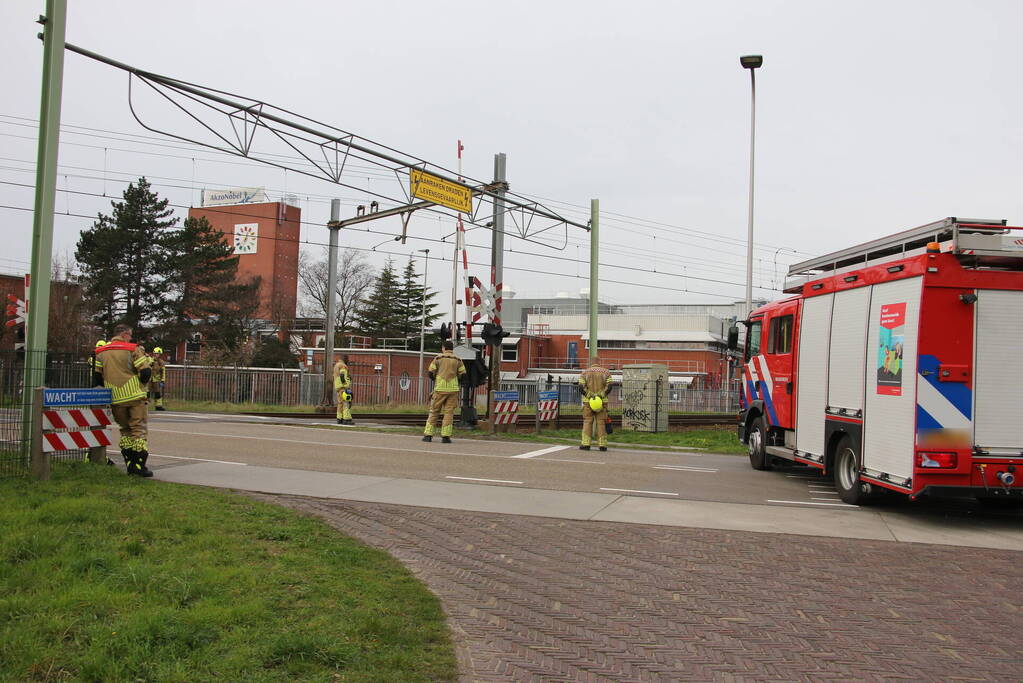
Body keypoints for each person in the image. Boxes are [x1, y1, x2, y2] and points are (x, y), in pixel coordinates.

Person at [95, 323, 154, 477]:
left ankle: (129, 463)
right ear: (124, 334)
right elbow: (146, 371)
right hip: (135, 395)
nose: (131, 338)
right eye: (130, 335)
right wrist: (142, 385)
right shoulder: (132, 348)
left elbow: (97, 377)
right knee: (138, 429)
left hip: (115, 397)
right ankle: (139, 465)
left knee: (125, 430)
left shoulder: (101, 352)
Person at [423, 340, 466, 444]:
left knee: (434, 412)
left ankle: (428, 435)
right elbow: (463, 375)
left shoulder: (438, 358)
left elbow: (430, 372)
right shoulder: (458, 359)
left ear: (443, 348)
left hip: (439, 389)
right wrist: (457, 381)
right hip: (453, 390)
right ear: (452, 349)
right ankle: (446, 437)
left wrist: (436, 379)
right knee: (449, 413)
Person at [578, 363, 612, 451]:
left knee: (587, 422)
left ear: (591, 363)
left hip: (588, 402)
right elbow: (610, 386)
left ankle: (586, 444)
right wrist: (600, 396)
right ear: (599, 363)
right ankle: (602, 445)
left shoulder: (584, 373)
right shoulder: (606, 372)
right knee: (601, 422)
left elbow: (581, 387)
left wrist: (590, 396)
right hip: (602, 402)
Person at [333, 354, 353, 425]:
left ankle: (339, 418)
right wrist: (345, 384)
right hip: (343, 387)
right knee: (346, 402)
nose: (348, 361)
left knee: (340, 403)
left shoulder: (337, 365)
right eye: (347, 359)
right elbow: (342, 375)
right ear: (345, 359)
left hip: (338, 387)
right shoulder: (343, 366)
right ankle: (346, 419)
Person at [149, 346, 167, 411]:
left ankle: (158, 406)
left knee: (157, 393)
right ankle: (144, 406)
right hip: (149, 380)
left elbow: (163, 371)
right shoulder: (150, 360)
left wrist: (163, 380)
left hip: (156, 380)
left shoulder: (161, 362)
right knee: (146, 393)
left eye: (157, 354)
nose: (156, 355)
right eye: (155, 353)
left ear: (160, 354)